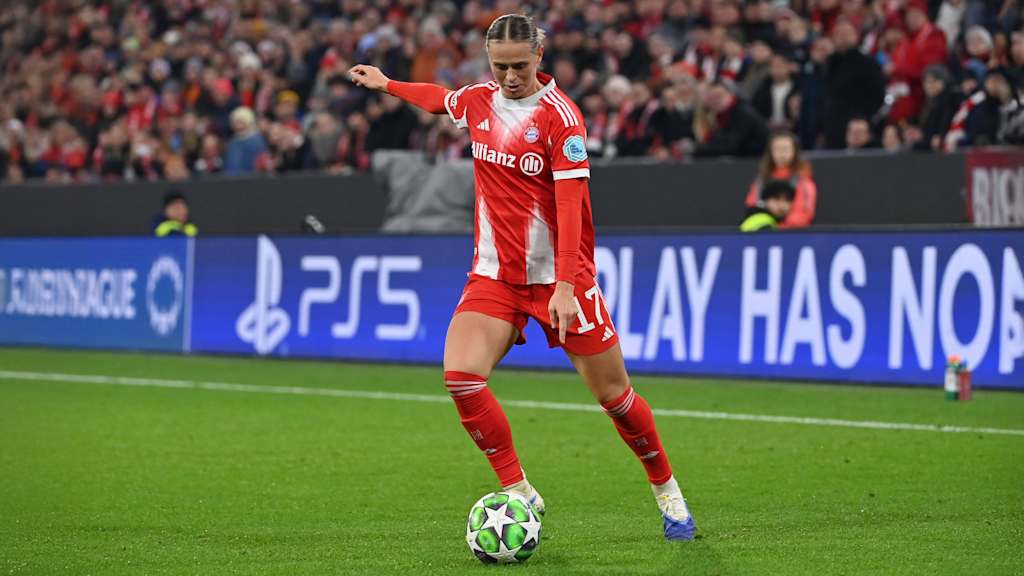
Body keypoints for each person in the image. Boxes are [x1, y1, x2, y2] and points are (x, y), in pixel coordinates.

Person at [348, 13, 696, 542]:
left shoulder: (562, 120)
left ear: (540, 56)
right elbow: (440, 98)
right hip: (494, 277)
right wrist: (388, 84)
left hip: (560, 280)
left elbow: (573, 206)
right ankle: (520, 489)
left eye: (518, 65)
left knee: (615, 397)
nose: (509, 76)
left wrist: (566, 286)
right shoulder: (479, 100)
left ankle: (667, 492)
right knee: (461, 376)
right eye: (499, 66)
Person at [745, 131, 817, 228]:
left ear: (794, 152)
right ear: (770, 152)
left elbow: (804, 213)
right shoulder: (761, 181)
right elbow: (752, 207)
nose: (781, 154)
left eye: (786, 149)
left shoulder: (803, 181)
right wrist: (768, 208)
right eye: (777, 149)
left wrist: (781, 227)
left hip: (793, 235)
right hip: (764, 233)